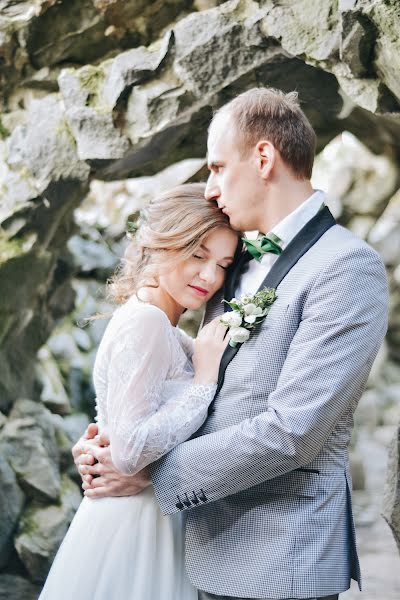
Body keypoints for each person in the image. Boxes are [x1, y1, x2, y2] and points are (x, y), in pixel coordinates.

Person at [74, 88, 389, 600]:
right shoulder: (231, 259)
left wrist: (150, 475)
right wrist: (110, 442)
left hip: (279, 559)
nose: (211, 189)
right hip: (198, 547)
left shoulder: (347, 268)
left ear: (263, 158)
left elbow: (294, 431)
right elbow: (195, 381)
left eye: (218, 167)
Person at [39, 183, 239, 600]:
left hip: (150, 512)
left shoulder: (162, 325)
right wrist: (203, 383)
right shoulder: (146, 322)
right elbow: (130, 450)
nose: (210, 276)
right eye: (197, 255)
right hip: (134, 520)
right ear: (161, 245)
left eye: (223, 264)